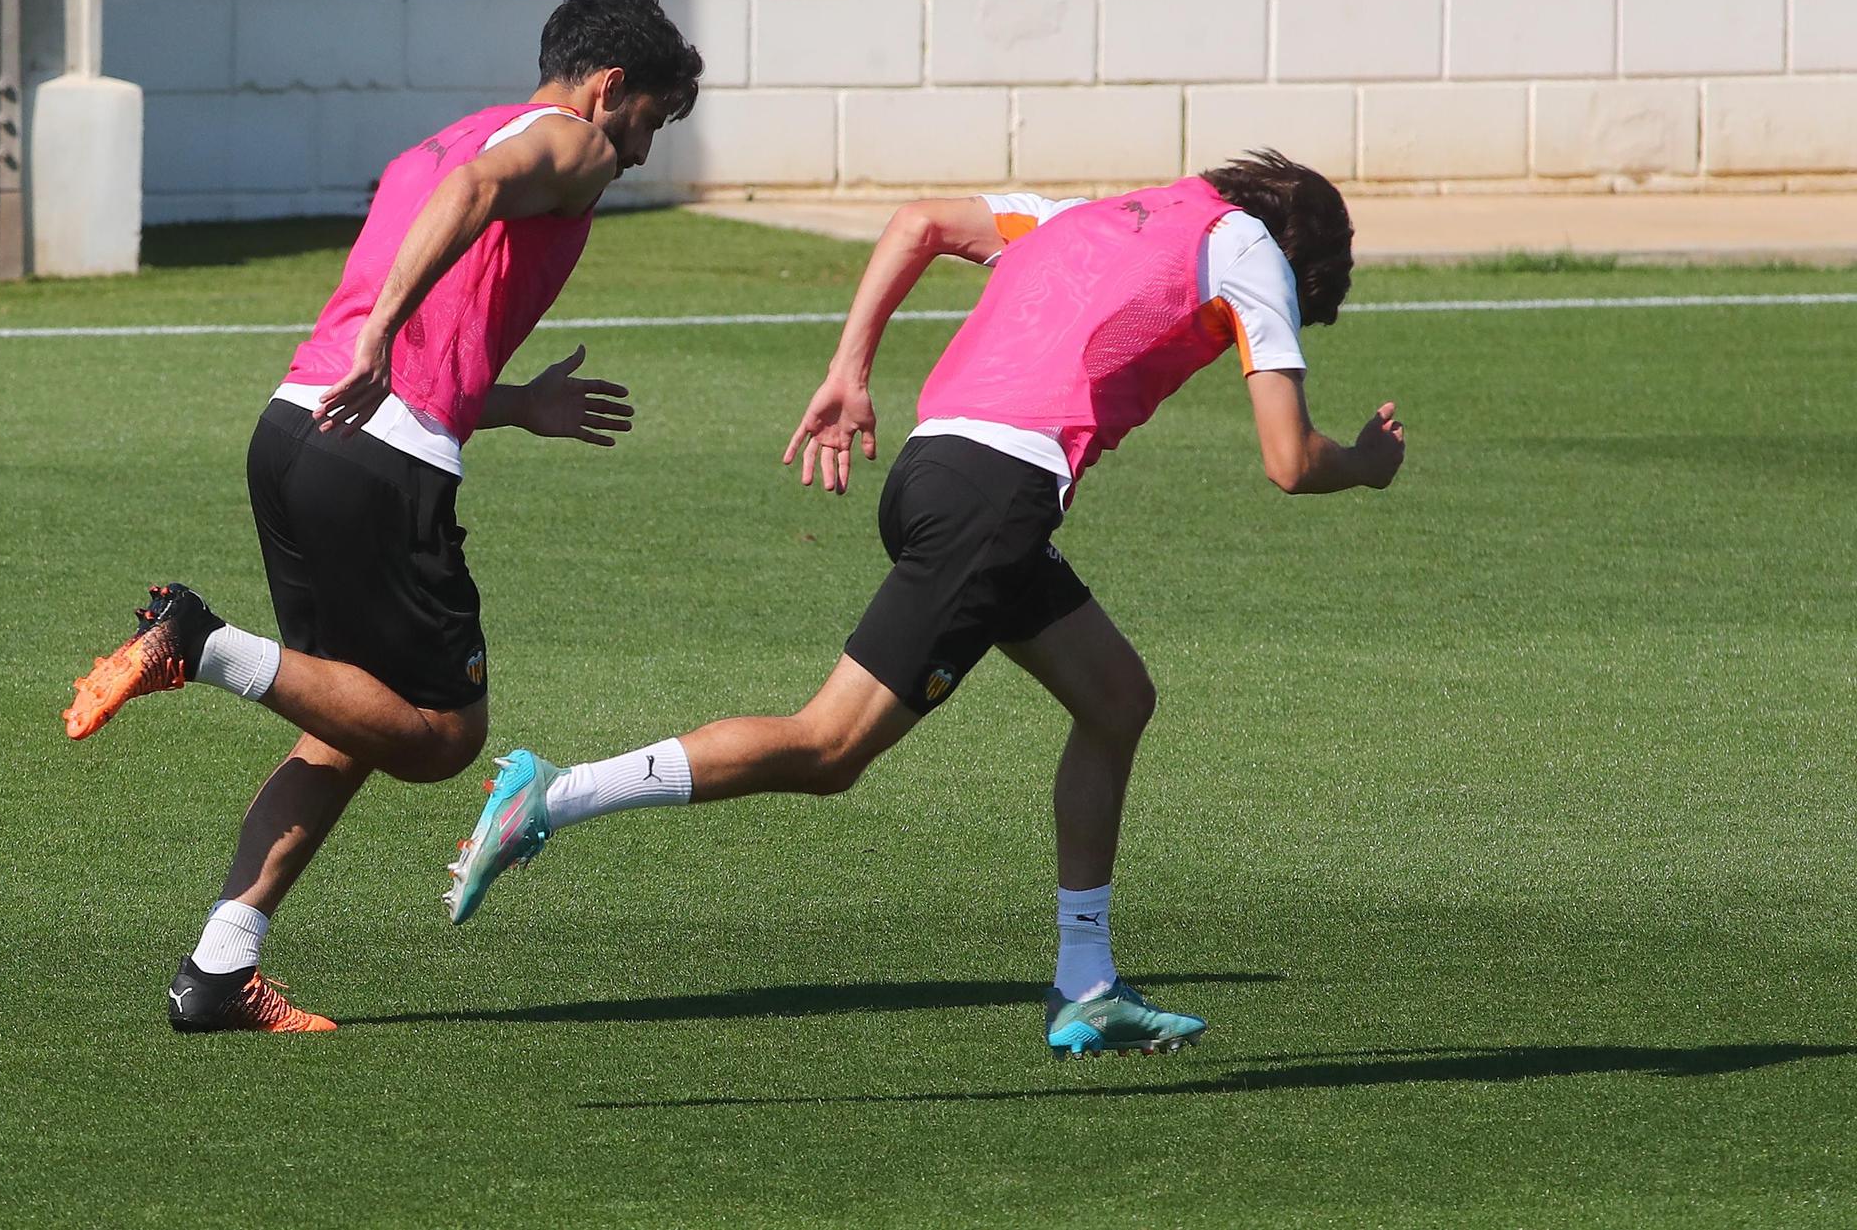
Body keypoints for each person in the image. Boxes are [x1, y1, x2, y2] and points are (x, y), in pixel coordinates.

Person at [444, 150, 1407, 1058]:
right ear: (1303, 255)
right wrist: (1365, 464)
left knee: (1117, 696)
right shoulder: (1250, 249)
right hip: (997, 497)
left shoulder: (1090, 212)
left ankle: (1085, 984)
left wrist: (848, 372)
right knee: (826, 749)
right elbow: (1290, 460)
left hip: (933, 467)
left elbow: (917, 223)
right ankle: (553, 795)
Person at [60, 0, 702, 1034]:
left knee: (340, 718)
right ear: (607, 85)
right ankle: (201, 641)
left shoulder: (442, 137)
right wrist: (384, 336)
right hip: (378, 459)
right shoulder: (566, 145)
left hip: (291, 434)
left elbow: (435, 288)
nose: (639, 152)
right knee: (446, 735)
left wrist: (513, 404)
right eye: (649, 121)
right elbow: (466, 215)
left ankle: (221, 965)